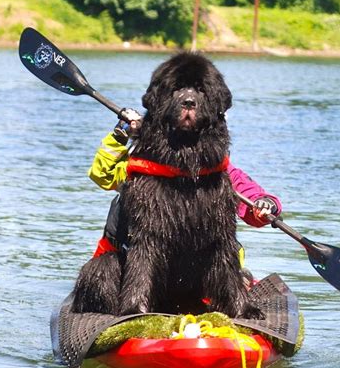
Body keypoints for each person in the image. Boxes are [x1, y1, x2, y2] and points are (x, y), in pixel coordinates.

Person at [88, 109, 282, 261]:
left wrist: (265, 205)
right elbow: (103, 175)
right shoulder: (146, 166)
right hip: (138, 260)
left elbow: (252, 200)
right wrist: (120, 135)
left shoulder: (224, 173)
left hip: (196, 266)